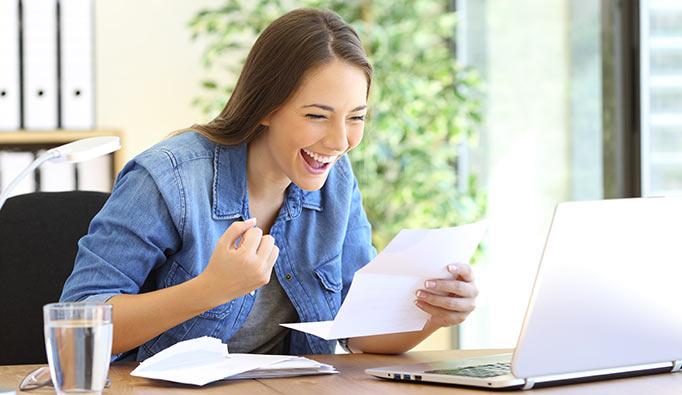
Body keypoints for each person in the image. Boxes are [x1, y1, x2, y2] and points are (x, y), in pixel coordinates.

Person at [60, 8, 479, 361]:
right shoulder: (169, 178)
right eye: (317, 115)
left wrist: (432, 314)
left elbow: (360, 331)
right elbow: (73, 337)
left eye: (356, 117)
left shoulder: (337, 183)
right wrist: (209, 289)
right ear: (265, 107)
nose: (339, 142)